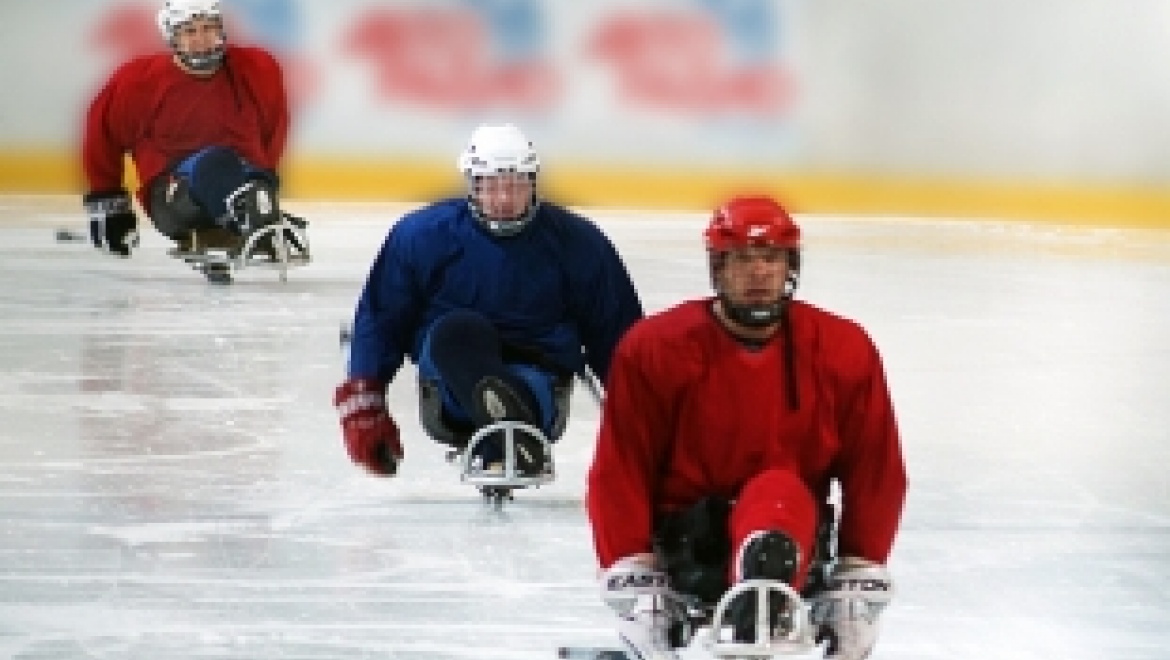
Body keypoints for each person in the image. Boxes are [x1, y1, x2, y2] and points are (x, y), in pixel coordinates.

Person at [586, 195, 907, 660]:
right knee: (776, 493)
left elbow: (876, 470)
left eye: (771, 258)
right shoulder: (654, 348)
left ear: (790, 266)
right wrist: (633, 565)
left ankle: (762, 577)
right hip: (686, 544)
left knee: (778, 490)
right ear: (718, 268)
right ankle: (756, 590)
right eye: (742, 259)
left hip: (794, 537)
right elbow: (622, 466)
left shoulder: (843, 349)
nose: (758, 272)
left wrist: (859, 567)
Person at [333, 123, 643, 480]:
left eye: (516, 185)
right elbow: (381, 317)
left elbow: (617, 332)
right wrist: (366, 395)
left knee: (503, 368)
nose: (504, 199)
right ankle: (506, 425)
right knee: (458, 332)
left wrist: (640, 412)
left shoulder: (579, 242)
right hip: (450, 384)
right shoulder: (422, 237)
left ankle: (504, 419)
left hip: (538, 380)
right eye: (491, 186)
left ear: (533, 182)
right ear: (472, 185)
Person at [81, 0, 307, 274]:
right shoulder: (140, 81)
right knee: (214, 162)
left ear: (221, 29)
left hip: (242, 178)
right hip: (174, 200)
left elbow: (273, 129)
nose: (201, 39)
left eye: (208, 28)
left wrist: (265, 180)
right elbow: (103, 134)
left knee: (243, 170)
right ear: (172, 37)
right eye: (189, 31)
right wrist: (109, 206)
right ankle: (250, 214)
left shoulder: (257, 69)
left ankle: (252, 210)